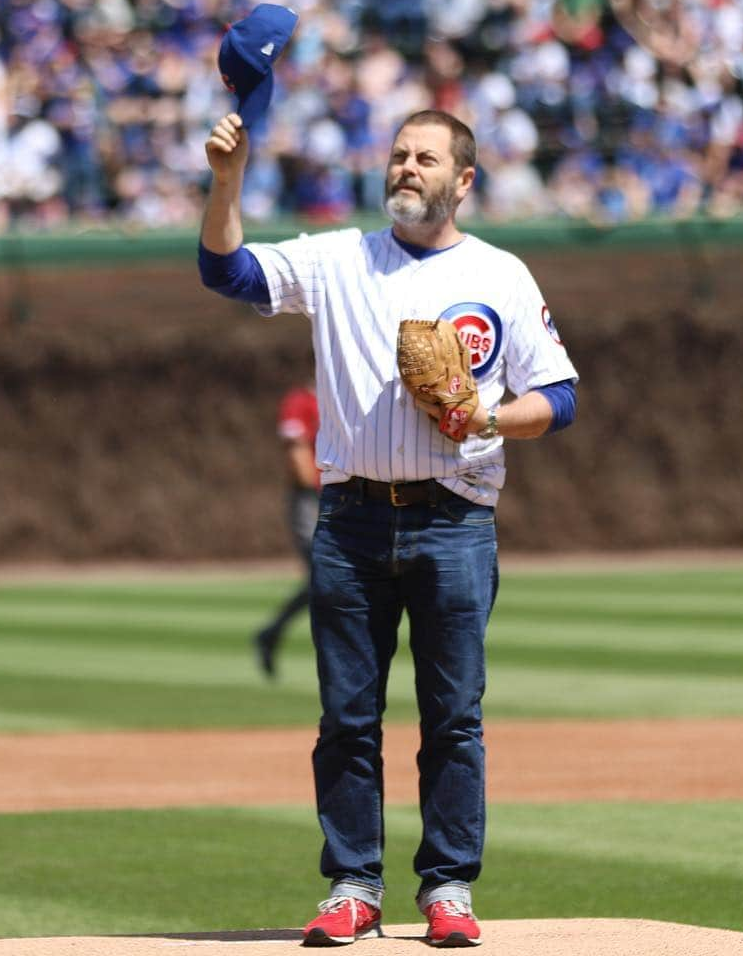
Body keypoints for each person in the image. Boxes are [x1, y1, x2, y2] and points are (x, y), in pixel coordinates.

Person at [199, 107, 578, 948]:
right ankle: (353, 885)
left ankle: (448, 889)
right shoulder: (337, 258)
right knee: (348, 718)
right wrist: (228, 182)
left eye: (427, 158)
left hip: (455, 520)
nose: (408, 168)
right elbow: (224, 271)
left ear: (464, 180)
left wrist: (489, 416)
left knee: (453, 717)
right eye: (400, 155)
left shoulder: (502, 275)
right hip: (352, 521)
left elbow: (560, 398)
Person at [254, 380, 320, 679]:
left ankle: (271, 632)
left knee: (328, 579)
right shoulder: (301, 400)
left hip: (342, 498)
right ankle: (272, 633)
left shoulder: (344, 396)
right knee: (325, 574)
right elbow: (298, 453)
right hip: (313, 501)